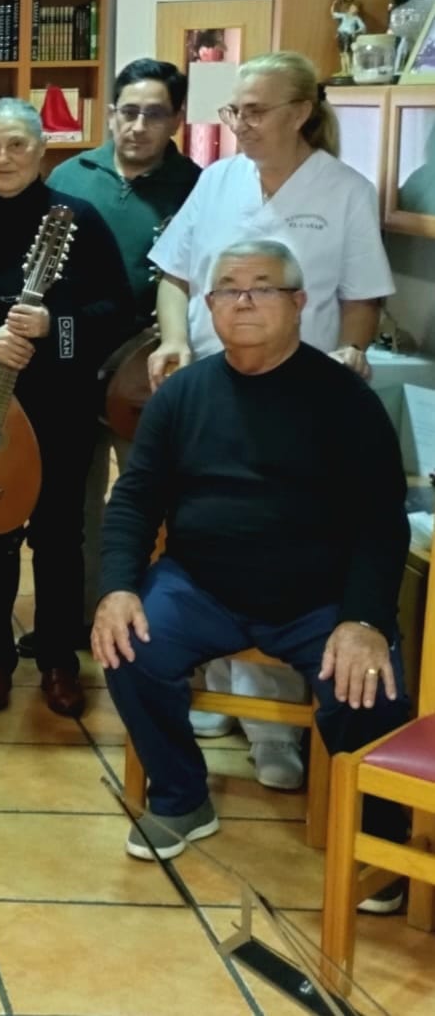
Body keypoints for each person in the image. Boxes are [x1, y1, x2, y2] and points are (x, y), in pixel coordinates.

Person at [94, 241, 411, 898]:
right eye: (227, 288)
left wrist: (362, 618)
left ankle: (375, 840)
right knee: (127, 645)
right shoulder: (181, 393)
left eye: (261, 287)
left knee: (370, 685)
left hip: (317, 597)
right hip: (200, 585)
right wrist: (119, 588)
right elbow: (134, 497)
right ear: (206, 306)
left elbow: (381, 520)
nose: (242, 299)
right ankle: (181, 795)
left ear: (298, 303)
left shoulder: (344, 399)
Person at [147, 51, 394, 789]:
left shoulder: (343, 191)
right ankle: (220, 693)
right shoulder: (216, 180)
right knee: (201, 530)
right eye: (234, 111)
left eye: (254, 110)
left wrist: (350, 349)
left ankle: (273, 727)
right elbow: (175, 270)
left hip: (301, 394)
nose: (240, 124)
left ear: (299, 111)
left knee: (277, 542)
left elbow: (360, 295)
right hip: (208, 381)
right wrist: (169, 341)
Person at [0, 99, 132, 716]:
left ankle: (60, 661)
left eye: (18, 145)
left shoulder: (80, 220)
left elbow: (115, 310)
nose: (5, 157)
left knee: (61, 539)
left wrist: (53, 324)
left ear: (42, 151)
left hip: (59, 410)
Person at [46, 58, 200, 626]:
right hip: (70, 361)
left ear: (177, 119)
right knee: (70, 503)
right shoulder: (70, 177)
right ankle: (73, 618)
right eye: (127, 112)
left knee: (149, 497)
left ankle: (142, 615)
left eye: (154, 114)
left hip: (151, 370)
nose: (138, 126)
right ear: (111, 114)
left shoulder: (197, 186)